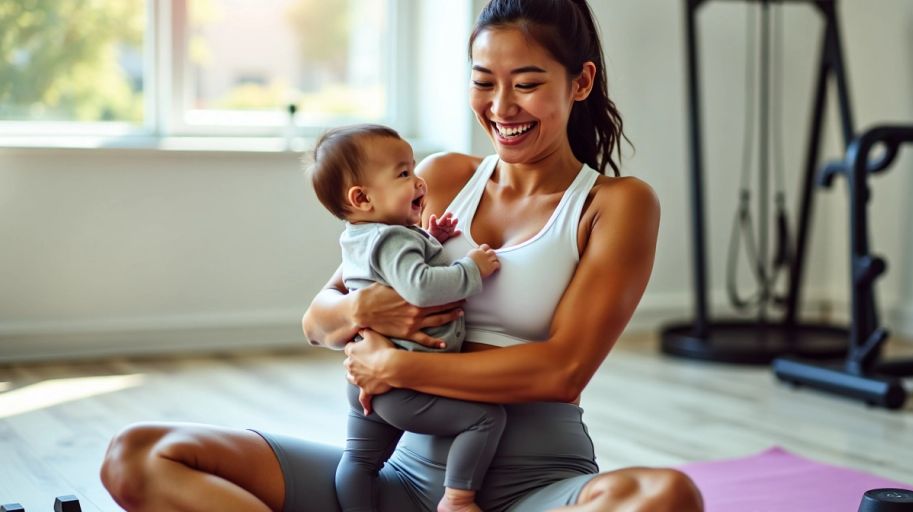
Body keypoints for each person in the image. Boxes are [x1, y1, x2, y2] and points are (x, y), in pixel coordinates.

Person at [99, 0, 704, 510]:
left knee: (666, 495)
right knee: (139, 454)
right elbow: (319, 319)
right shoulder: (437, 178)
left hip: (536, 486)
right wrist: (366, 308)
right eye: (482, 81)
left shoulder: (615, 204)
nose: (500, 107)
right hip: (398, 479)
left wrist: (397, 368)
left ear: (581, 82)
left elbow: (561, 370)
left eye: (526, 83)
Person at [306, 123, 505, 512]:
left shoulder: (362, 236)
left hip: (364, 376)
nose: (418, 182)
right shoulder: (393, 238)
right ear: (362, 197)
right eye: (403, 174)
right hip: (405, 384)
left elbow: (395, 270)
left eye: (413, 169)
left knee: (360, 462)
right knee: (485, 420)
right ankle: (459, 499)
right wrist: (472, 268)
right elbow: (421, 287)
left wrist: (432, 241)